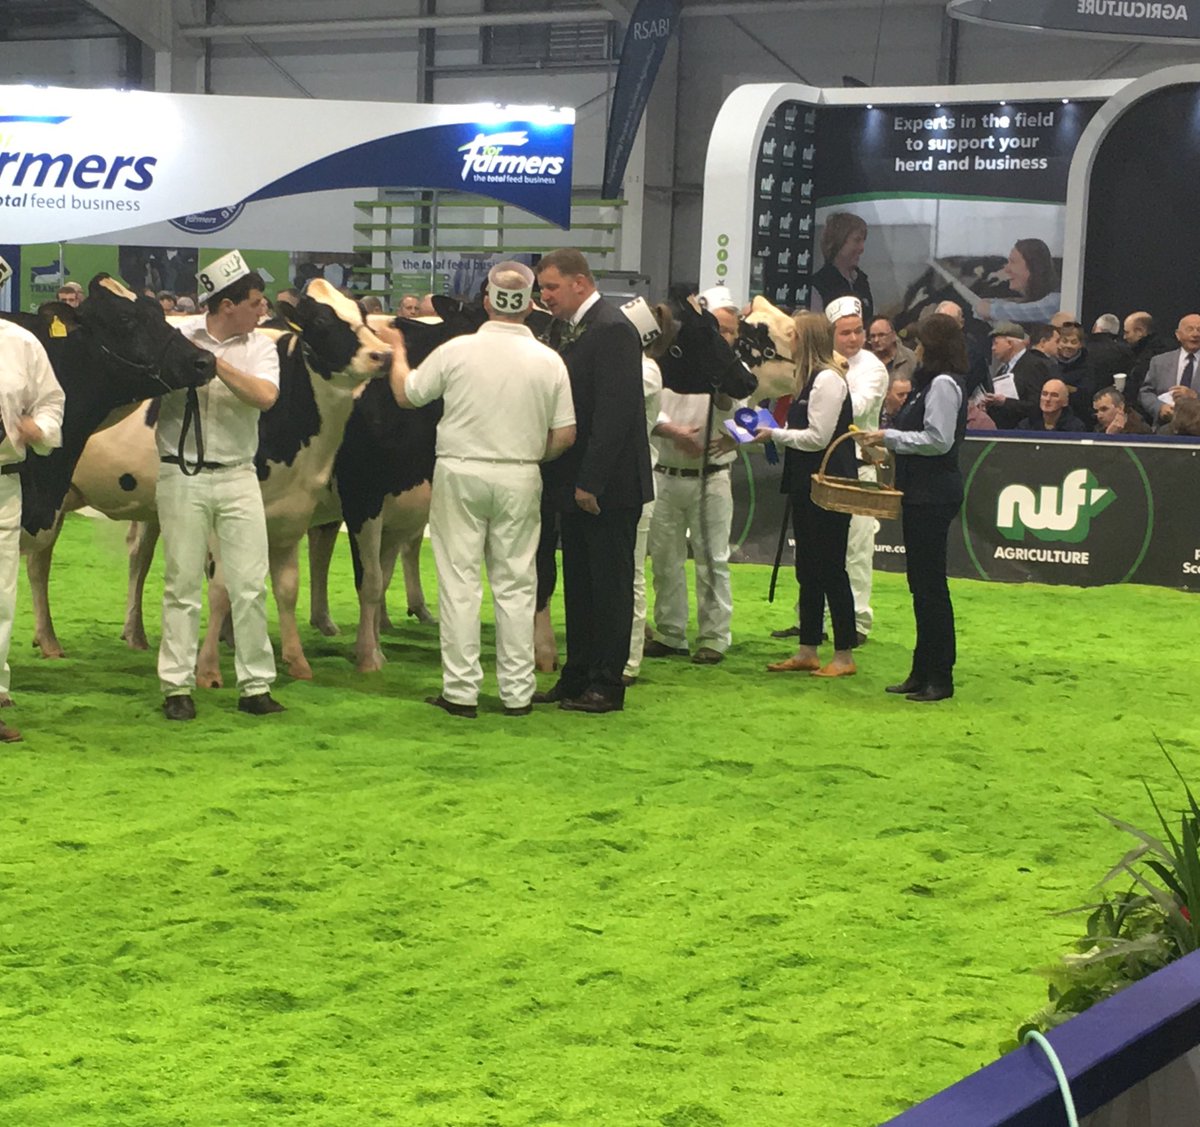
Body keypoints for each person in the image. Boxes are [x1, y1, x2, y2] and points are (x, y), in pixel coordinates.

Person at [385, 261, 575, 718]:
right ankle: (517, 693)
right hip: (520, 474)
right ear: (529, 306)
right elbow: (565, 435)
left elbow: (407, 395)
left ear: (487, 301)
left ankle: (461, 691)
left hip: (460, 470)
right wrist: (529, 455)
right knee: (517, 583)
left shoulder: (456, 350)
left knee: (459, 582)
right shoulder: (550, 361)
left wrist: (397, 350)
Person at [156, 250, 283, 721]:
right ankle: (176, 686)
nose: (263, 309)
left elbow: (265, 397)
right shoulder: (174, 338)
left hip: (238, 473)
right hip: (180, 471)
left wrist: (213, 364)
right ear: (227, 305)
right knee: (182, 583)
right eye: (255, 301)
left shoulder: (261, 347)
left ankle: (256, 685)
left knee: (250, 584)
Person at [531, 249, 652, 714]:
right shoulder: (571, 328)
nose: (545, 296)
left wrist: (591, 481)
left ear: (579, 282)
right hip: (577, 482)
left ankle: (606, 683)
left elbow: (615, 414)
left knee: (610, 586)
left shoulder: (613, 328)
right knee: (580, 585)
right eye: (543, 288)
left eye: (552, 287)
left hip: (609, 487)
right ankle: (577, 675)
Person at [856, 312, 967, 702]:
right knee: (921, 585)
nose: (915, 349)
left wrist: (889, 437)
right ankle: (923, 670)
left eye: (920, 342)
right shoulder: (930, 384)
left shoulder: (943, 384)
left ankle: (940, 675)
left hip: (934, 492)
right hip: (922, 492)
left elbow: (938, 440)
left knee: (930, 586)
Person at [645, 285, 742, 666]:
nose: (723, 336)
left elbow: (754, 414)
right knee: (664, 559)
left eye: (729, 330)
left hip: (710, 476)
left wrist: (736, 436)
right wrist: (672, 432)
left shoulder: (732, 371)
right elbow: (648, 407)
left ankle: (714, 636)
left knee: (712, 559)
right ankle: (670, 632)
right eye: (718, 328)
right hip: (665, 472)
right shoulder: (667, 362)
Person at [757, 311, 857, 678]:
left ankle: (844, 655)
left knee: (831, 568)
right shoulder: (810, 378)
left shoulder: (827, 379)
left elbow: (818, 437)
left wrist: (775, 434)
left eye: (794, 335)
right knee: (809, 568)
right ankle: (808, 648)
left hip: (827, 485)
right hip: (807, 483)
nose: (790, 341)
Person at [0, 298, 66, 741]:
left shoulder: (21, 344)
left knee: (0, 599)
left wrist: (39, 429)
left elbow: (51, 402)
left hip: (3, 482)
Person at [830, 296, 886, 646]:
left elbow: (858, 407)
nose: (853, 338)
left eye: (858, 331)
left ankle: (857, 622)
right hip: (826, 466)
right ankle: (812, 619)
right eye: (845, 332)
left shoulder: (873, 369)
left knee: (858, 550)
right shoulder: (821, 362)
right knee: (819, 549)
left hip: (860, 468)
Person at [621, 299, 669, 684]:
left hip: (636, 480)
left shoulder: (647, 371)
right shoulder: (635, 367)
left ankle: (629, 660)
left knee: (632, 575)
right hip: (623, 480)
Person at [975, 238, 1061, 325]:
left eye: (1013, 262)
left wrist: (989, 309)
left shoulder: (1056, 302)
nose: (1006, 269)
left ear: (1034, 267)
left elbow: (1026, 311)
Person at [811, 213, 873, 327]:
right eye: (857, 240)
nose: (862, 248)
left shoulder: (861, 281)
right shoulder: (819, 285)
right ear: (838, 242)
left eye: (863, 241)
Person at [1138, 313, 1200, 425]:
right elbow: (1146, 393)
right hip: (1166, 426)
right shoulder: (1159, 362)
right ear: (1178, 335)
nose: (1195, 334)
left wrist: (1195, 397)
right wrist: (1159, 408)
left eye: (1199, 330)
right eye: (1190, 329)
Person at [1016, 378, 1088, 433]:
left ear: (1065, 402)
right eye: (1044, 394)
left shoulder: (1075, 428)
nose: (1047, 399)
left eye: (1054, 395)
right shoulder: (1026, 425)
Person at [868, 317, 918, 383]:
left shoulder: (909, 358)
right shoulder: (866, 361)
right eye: (873, 336)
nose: (876, 340)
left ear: (893, 336)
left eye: (881, 335)